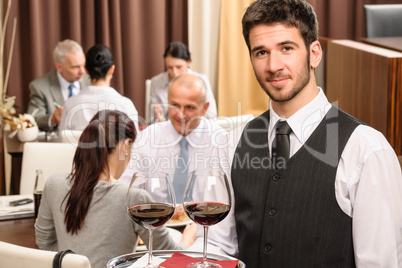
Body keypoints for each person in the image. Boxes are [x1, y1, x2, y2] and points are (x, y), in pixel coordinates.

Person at [189, 0, 402, 267]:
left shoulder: (366, 150)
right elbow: (217, 245)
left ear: (314, 53)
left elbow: (380, 263)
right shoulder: (230, 144)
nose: (273, 65)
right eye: (261, 52)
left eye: (286, 48)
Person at [35, 110, 196, 268]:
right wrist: (187, 238)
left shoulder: (53, 184)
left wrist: (75, 262)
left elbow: (44, 244)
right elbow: (170, 257)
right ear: (126, 146)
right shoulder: (134, 198)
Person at [121, 73, 226, 209]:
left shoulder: (219, 142)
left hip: (204, 224)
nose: (180, 114)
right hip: (156, 224)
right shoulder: (147, 138)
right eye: (174, 105)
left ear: (204, 108)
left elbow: (224, 200)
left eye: (189, 107)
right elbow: (126, 191)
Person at [59, 44, 139, 131]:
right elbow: (135, 142)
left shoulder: (70, 104)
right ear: (112, 69)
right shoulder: (125, 104)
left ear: (85, 70)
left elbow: (62, 142)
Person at [27, 39, 90, 131]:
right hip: (58, 143)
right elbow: (33, 119)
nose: (82, 71)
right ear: (59, 67)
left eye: (83, 65)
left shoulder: (91, 81)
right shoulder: (39, 87)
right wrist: (52, 119)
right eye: (75, 67)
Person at [149, 41, 217, 122]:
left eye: (179, 67)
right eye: (169, 67)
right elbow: (152, 120)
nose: (174, 72)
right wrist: (159, 118)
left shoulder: (201, 80)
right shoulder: (156, 82)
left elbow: (211, 115)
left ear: (189, 63)